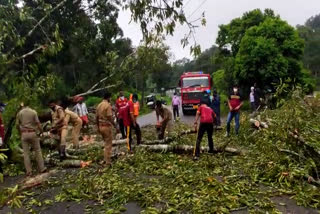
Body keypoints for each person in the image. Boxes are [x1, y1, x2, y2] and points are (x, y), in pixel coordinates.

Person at [16, 103, 46, 176]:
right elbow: (38, 123)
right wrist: (42, 132)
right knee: (38, 151)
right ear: (29, 105)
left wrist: (20, 132)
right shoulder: (33, 112)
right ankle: (42, 168)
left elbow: (17, 125)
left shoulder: (19, 113)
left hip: (24, 134)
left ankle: (29, 171)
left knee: (26, 154)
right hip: (32, 133)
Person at [96, 92, 117, 166]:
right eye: (110, 98)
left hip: (100, 126)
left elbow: (96, 117)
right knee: (108, 144)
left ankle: (105, 159)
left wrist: (97, 127)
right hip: (106, 126)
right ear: (108, 98)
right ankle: (108, 162)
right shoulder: (107, 105)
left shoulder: (99, 105)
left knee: (105, 143)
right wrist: (115, 125)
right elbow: (109, 117)